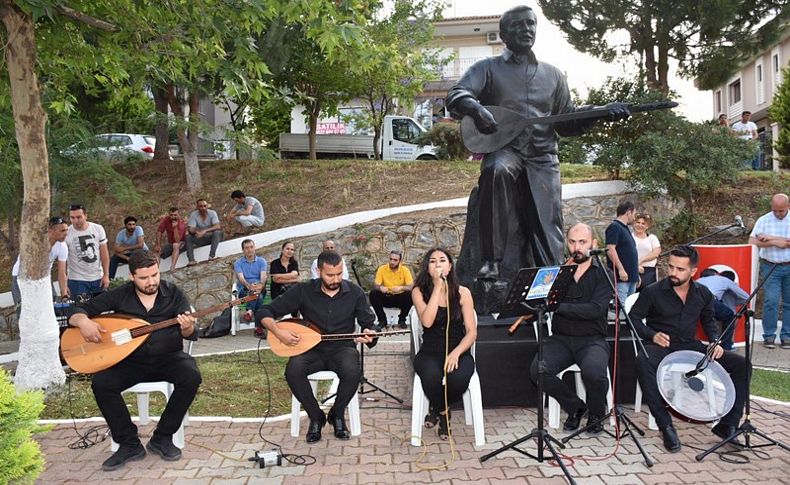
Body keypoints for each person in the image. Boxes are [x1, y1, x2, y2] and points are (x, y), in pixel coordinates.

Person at [446, 5, 629, 285]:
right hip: (508, 150)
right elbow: (457, 94)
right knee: (496, 169)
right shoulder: (488, 69)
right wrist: (476, 109)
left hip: (543, 156)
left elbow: (566, 121)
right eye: (518, 25)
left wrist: (601, 113)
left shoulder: (553, 75)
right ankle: (491, 262)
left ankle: (551, 280)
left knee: (548, 226)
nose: (526, 30)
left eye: (531, 24)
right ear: (504, 33)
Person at [68, 250, 201, 471]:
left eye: (155, 275)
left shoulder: (174, 293)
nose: (151, 282)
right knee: (102, 383)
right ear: (132, 276)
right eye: (144, 277)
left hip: (168, 358)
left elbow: (189, 332)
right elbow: (77, 310)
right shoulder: (120, 295)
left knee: (191, 376)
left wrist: (188, 327)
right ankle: (129, 443)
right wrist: (83, 322)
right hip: (130, 361)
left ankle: (163, 437)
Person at [628, 245, 750, 453]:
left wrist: (714, 341)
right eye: (671, 267)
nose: (673, 273)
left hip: (690, 346)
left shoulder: (702, 293)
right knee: (643, 361)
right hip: (663, 345)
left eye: (680, 269)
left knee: (742, 365)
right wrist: (652, 335)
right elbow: (633, 318)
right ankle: (665, 425)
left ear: (693, 271)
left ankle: (727, 425)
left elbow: (709, 320)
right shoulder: (653, 291)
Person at [257, 250, 378, 443]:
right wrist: (279, 332)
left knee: (353, 370)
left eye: (339, 274)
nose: (336, 279)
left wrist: (369, 333)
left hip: (342, 348)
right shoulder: (303, 290)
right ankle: (316, 416)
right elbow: (265, 311)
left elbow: (369, 323)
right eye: (330, 275)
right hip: (311, 349)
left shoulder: (354, 292)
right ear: (318, 271)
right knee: (293, 371)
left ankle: (337, 415)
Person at [529, 224, 613, 434]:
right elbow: (539, 302)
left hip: (592, 339)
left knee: (593, 372)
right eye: (572, 242)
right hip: (561, 339)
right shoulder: (557, 273)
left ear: (593, 244)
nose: (577, 247)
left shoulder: (605, 274)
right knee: (537, 370)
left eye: (582, 242)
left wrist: (558, 306)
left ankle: (595, 415)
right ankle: (575, 407)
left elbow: (595, 309)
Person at [411, 247, 477, 441]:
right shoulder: (418, 291)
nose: (438, 264)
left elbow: (472, 332)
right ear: (427, 267)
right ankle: (443, 413)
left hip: (458, 350)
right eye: (432, 261)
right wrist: (438, 288)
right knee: (430, 377)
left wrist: (456, 353)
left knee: (458, 379)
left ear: (449, 266)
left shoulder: (463, 293)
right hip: (430, 351)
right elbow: (427, 322)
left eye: (442, 260)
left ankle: (437, 406)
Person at [749, 193, 790, 349]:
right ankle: (769, 336)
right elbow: (752, 241)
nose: (778, 214)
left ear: (788, 206)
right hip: (770, 266)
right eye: (775, 210)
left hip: (789, 265)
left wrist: (769, 238)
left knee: (789, 303)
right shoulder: (764, 220)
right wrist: (777, 242)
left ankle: (787, 337)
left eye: (781, 210)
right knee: (771, 301)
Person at [11, 216, 70, 309]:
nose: (66, 233)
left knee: (52, 307)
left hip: (44, 276)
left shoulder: (62, 246)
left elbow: (62, 273)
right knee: (25, 310)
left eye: (66, 230)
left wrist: (64, 295)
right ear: (50, 231)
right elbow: (32, 268)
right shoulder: (36, 243)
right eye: (62, 231)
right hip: (23, 277)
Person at [697, 268, 749, 351]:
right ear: (717, 274)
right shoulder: (724, 279)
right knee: (730, 316)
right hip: (710, 300)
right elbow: (746, 297)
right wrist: (736, 303)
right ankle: (726, 347)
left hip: (692, 300)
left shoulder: (698, 280)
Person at [66, 203, 110, 297]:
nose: (75, 220)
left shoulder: (97, 229)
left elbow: (104, 253)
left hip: (97, 277)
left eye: (79, 217)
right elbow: (63, 260)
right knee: (80, 309)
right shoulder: (67, 233)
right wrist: (64, 283)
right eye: (72, 218)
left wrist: (106, 275)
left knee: (100, 307)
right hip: (77, 279)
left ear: (85, 216)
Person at [369, 250, 414, 329]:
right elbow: (376, 285)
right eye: (391, 259)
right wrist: (380, 287)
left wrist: (401, 288)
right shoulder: (382, 269)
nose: (392, 262)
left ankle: (402, 320)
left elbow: (410, 286)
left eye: (395, 260)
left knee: (410, 294)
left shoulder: (405, 270)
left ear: (400, 261)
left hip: (400, 297)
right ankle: (382, 320)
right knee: (373, 293)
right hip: (387, 296)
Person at [606, 200, 639, 304]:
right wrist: (620, 269)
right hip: (622, 278)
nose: (634, 217)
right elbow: (610, 250)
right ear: (628, 212)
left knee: (630, 306)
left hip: (631, 277)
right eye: (634, 214)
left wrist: (636, 274)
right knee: (622, 307)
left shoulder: (624, 228)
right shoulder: (615, 227)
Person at [234, 239, 268, 322]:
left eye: (251, 247)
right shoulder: (238, 263)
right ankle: (258, 326)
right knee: (258, 298)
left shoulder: (261, 261)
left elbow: (263, 276)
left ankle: (249, 311)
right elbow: (241, 278)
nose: (249, 250)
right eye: (246, 248)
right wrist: (249, 286)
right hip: (244, 290)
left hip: (259, 288)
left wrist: (259, 285)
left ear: (254, 248)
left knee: (257, 293)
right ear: (243, 250)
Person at [185, 198, 224, 265]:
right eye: (201, 206)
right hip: (202, 238)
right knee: (188, 237)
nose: (203, 208)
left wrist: (204, 231)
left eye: (205, 206)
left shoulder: (212, 213)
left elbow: (217, 226)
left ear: (207, 206)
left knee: (217, 232)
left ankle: (211, 256)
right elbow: (191, 229)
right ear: (197, 207)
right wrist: (197, 232)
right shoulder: (194, 214)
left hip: (214, 237)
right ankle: (191, 260)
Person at [631, 213, 661, 291]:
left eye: (643, 223)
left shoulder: (652, 238)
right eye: (638, 222)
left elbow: (656, 252)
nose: (640, 225)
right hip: (632, 270)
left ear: (647, 226)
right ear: (634, 224)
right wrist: (635, 265)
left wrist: (641, 260)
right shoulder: (629, 237)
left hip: (649, 272)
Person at [154, 207, 187, 272]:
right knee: (157, 251)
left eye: (175, 215)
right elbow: (159, 231)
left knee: (175, 245)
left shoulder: (181, 224)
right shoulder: (166, 220)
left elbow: (177, 240)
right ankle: (156, 270)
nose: (173, 217)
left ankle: (172, 267)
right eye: (171, 215)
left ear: (178, 215)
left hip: (182, 243)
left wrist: (175, 228)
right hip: (171, 244)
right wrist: (158, 245)